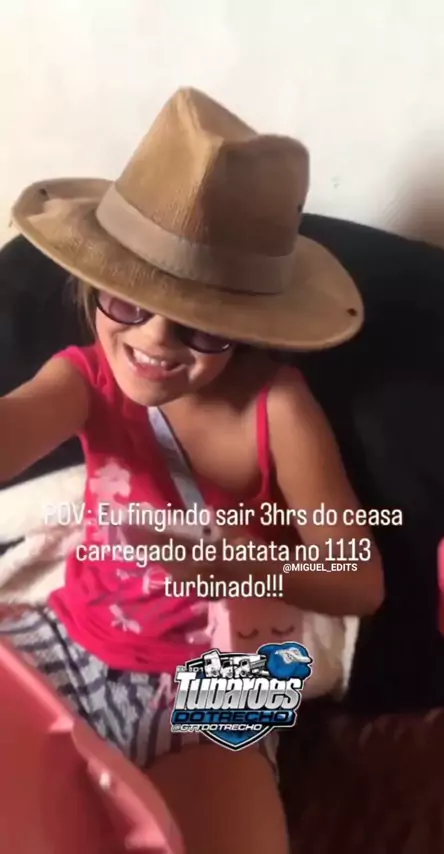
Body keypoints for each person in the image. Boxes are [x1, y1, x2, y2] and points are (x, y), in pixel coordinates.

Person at [0, 87, 384, 854]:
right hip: (72, 637)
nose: (156, 340)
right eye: (127, 302)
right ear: (92, 284)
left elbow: (359, 580)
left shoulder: (278, 409)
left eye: (201, 326)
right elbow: (19, 421)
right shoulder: (82, 376)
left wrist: (235, 569)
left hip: (229, 669)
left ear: (248, 326)